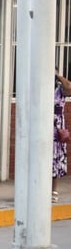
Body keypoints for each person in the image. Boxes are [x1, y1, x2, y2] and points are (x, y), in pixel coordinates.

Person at [52, 69, 71, 202]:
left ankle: (54, 190)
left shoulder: (59, 89)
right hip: (41, 125)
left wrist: (59, 75)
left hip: (56, 128)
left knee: (56, 158)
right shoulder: (39, 86)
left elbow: (69, 87)